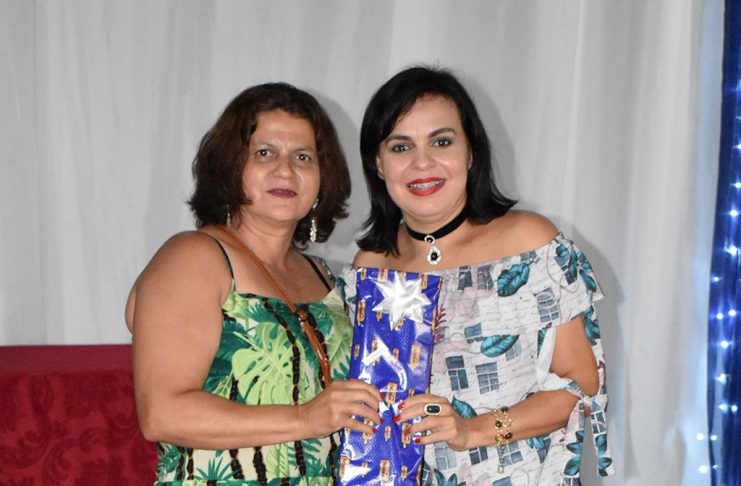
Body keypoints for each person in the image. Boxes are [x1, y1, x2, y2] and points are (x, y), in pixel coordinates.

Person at [343, 67, 613, 485]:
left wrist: (471, 431)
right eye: (401, 146)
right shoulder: (371, 267)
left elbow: (580, 388)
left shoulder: (530, 243)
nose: (422, 162)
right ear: (378, 164)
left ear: (471, 152)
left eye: (442, 141)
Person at [126, 83, 381, 485]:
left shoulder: (325, 277)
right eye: (265, 153)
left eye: (303, 156)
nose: (286, 169)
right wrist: (305, 419)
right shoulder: (193, 256)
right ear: (230, 166)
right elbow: (162, 414)